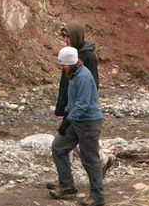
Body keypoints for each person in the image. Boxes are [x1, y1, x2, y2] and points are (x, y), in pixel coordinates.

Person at [51, 23, 115, 181]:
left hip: (81, 111)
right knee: (66, 145)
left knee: (83, 147)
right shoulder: (71, 54)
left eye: (68, 36)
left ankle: (100, 167)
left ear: (75, 37)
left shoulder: (87, 57)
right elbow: (68, 83)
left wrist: (72, 112)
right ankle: (65, 181)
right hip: (72, 106)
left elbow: (91, 85)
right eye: (64, 36)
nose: (65, 40)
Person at [48, 47, 106, 206]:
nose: (61, 68)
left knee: (90, 159)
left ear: (72, 63)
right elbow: (73, 102)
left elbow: (82, 105)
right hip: (76, 120)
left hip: (89, 122)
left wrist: (67, 120)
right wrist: (66, 117)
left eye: (63, 65)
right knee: (58, 147)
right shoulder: (72, 75)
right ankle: (67, 185)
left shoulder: (84, 77)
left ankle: (97, 197)